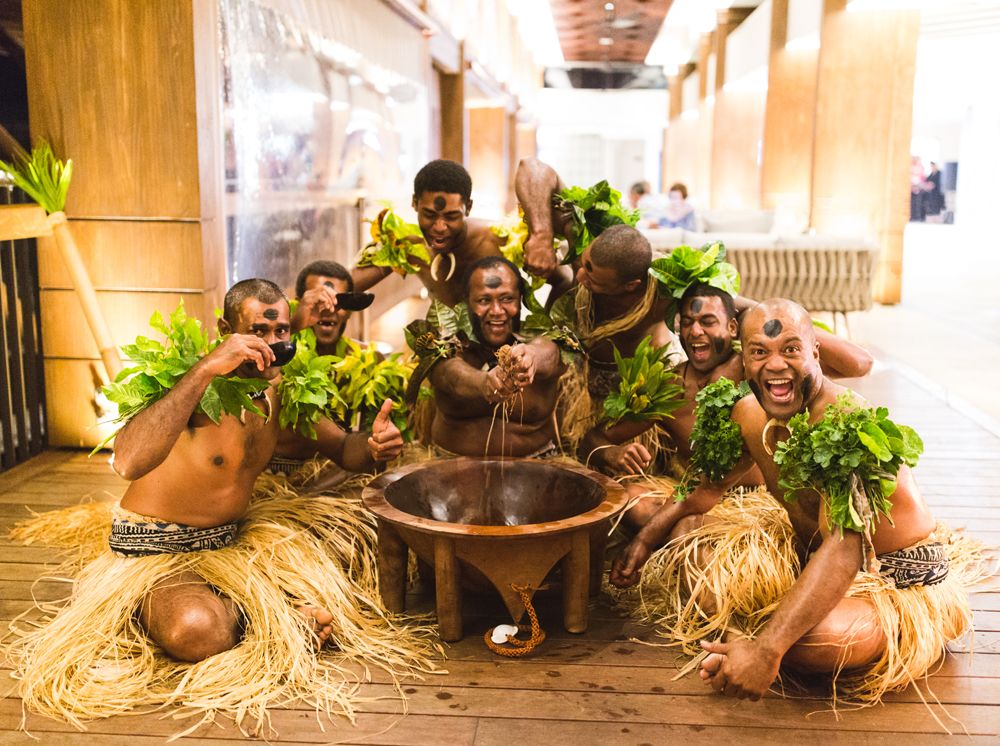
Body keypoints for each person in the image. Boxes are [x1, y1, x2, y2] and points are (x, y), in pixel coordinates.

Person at [9, 279, 435, 727]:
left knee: (353, 539)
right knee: (195, 630)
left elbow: (343, 448)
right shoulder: (192, 389)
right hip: (156, 549)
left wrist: (374, 445)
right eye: (257, 332)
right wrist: (205, 369)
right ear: (224, 332)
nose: (271, 345)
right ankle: (270, 617)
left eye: (281, 333)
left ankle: (261, 603)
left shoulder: (278, 388)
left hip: (230, 542)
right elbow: (128, 460)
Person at [609, 298, 982, 704]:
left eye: (790, 349)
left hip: (893, 578)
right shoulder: (749, 413)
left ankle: (750, 642)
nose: (775, 365)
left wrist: (768, 650)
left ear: (815, 353)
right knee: (691, 545)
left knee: (821, 642)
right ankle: (745, 641)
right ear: (744, 359)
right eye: (759, 352)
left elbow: (844, 551)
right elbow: (701, 491)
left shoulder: (844, 423)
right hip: (813, 561)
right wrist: (645, 540)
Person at [580, 283, 874, 527]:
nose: (695, 332)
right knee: (634, 501)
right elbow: (593, 438)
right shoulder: (669, 387)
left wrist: (765, 315)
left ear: (734, 327)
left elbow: (860, 363)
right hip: (698, 502)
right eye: (687, 323)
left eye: (708, 322)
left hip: (764, 506)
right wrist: (611, 453)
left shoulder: (766, 370)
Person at [352, 159, 571, 307]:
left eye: (451, 216)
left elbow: (564, 281)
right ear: (414, 204)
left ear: (468, 207)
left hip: (501, 355)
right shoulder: (406, 245)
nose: (439, 227)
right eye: (429, 215)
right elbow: (347, 285)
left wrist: (545, 338)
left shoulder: (499, 240)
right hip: (444, 354)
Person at [429, 256, 567, 458]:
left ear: (521, 300)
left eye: (507, 299)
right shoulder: (447, 343)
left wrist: (531, 357)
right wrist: (483, 382)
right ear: (466, 301)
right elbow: (446, 373)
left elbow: (552, 352)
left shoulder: (544, 339)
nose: (496, 311)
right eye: (484, 300)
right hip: (451, 469)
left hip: (536, 470)